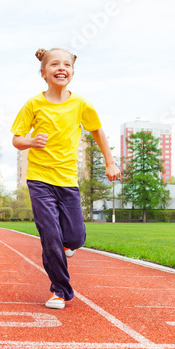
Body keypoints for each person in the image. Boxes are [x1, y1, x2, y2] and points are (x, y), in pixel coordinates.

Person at [11, 48, 121, 309]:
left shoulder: (81, 104)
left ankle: (70, 243)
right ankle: (59, 290)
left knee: (74, 237)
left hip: (68, 179)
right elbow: (17, 139)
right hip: (39, 178)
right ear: (43, 73)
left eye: (66, 65)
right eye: (54, 65)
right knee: (50, 236)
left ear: (72, 72)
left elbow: (97, 131)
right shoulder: (33, 104)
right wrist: (31, 141)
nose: (61, 68)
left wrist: (110, 162)